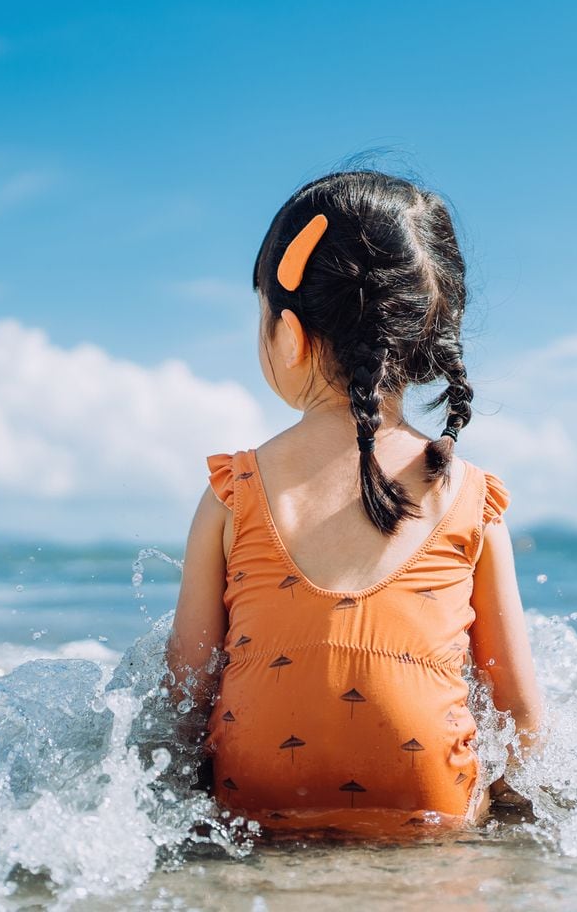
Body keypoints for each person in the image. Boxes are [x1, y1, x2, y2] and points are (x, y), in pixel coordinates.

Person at [166, 171, 544, 834]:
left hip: (254, 807)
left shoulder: (233, 491)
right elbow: (521, 716)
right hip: (435, 806)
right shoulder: (470, 496)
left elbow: (183, 697)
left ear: (289, 332)